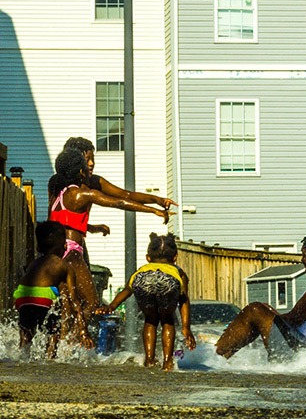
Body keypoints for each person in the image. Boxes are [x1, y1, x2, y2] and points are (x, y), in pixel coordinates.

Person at [48, 148, 171, 326]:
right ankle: (76, 341)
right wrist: (153, 210)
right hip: (72, 254)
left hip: (56, 254)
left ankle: (58, 349)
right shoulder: (82, 194)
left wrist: (93, 228)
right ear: (81, 172)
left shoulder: (58, 194)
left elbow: (66, 223)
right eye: (86, 165)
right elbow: (119, 202)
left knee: (67, 308)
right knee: (92, 304)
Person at [215, 231, 306, 359]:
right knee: (266, 309)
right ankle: (225, 354)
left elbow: (295, 318)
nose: (302, 260)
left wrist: (265, 320)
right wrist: (271, 314)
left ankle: (216, 356)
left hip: (302, 350)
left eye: (305, 255)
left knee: (255, 310)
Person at [97, 232, 195, 370]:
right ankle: (167, 362)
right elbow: (183, 299)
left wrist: (112, 306)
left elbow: (127, 290)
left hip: (143, 280)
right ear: (175, 257)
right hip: (169, 281)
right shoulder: (178, 271)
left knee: (150, 320)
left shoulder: (142, 269)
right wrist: (186, 327)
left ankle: (149, 360)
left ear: (148, 258)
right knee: (167, 320)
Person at [13, 221, 93, 355]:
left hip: (22, 297)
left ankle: (23, 358)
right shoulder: (64, 266)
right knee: (53, 334)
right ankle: (51, 359)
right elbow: (75, 301)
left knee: (26, 335)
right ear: (65, 246)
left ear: (38, 248)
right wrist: (83, 330)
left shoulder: (34, 264)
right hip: (43, 298)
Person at [63, 136, 176, 225]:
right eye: (87, 160)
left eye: (93, 159)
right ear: (75, 161)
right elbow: (119, 202)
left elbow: (125, 195)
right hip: (62, 245)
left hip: (76, 241)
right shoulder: (64, 186)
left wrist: (158, 200)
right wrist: (153, 210)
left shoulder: (93, 181)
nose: (91, 164)